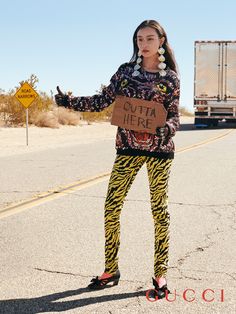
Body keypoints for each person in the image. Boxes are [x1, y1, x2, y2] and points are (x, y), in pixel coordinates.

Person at [55, 19, 180, 298]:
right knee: (111, 207)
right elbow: (102, 100)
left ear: (161, 41)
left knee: (159, 210)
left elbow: (174, 116)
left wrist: (166, 129)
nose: (143, 44)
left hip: (160, 152)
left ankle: (160, 273)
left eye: (149, 39)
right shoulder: (125, 73)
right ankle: (111, 269)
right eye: (139, 39)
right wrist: (70, 102)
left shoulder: (170, 78)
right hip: (127, 148)